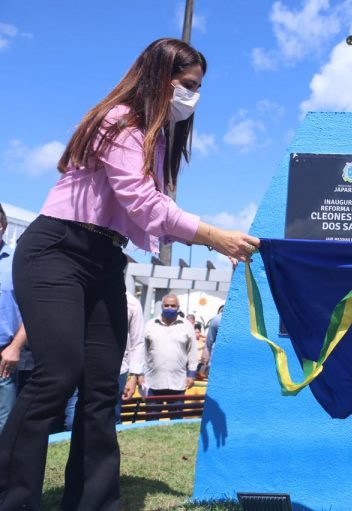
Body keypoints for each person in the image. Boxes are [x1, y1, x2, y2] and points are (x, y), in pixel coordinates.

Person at [0, 38, 260, 510]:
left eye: (198, 87)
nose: (193, 97)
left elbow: (151, 215)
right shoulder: (119, 121)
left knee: (103, 385)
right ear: (160, 76)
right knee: (58, 374)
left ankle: (96, 503)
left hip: (105, 258)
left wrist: (211, 241)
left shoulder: (157, 140)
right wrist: (213, 235)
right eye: (187, 84)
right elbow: (143, 203)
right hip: (57, 251)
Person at [143, 294, 198, 417]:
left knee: (176, 421)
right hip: (153, 382)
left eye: (173, 306)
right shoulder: (150, 324)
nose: (169, 308)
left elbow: (192, 352)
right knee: (151, 420)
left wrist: (191, 375)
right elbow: (143, 351)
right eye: (166, 305)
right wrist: (140, 374)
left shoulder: (187, 326)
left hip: (177, 383)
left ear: (178, 307)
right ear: (162, 306)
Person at [0, 204, 26, 435]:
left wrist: (16, 347)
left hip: (4, 356)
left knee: (4, 423)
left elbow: (33, 310)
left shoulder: (17, 263)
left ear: (3, 226)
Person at [116, 291, 145, 422]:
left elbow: (137, 342)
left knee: (113, 414)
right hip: (84, 367)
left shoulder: (132, 303)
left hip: (118, 370)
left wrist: (133, 376)